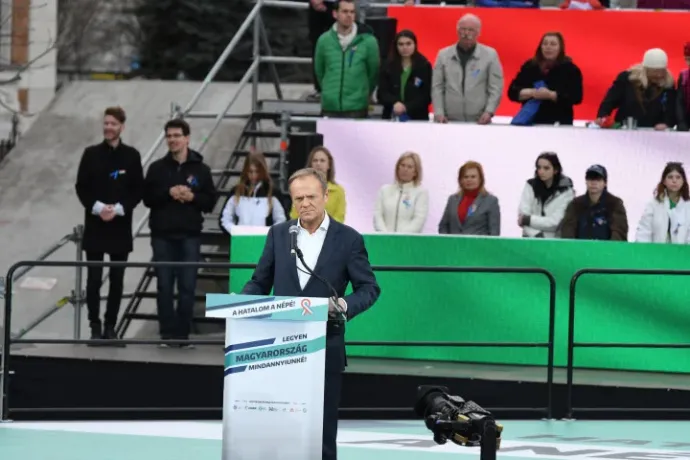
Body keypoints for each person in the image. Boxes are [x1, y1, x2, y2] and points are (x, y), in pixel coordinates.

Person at [241, 168, 380, 460]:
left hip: (324, 345)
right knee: (280, 429)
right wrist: (241, 303)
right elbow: (260, 282)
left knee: (321, 433)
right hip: (280, 346)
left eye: (311, 196)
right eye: (298, 198)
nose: (304, 203)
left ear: (326, 196)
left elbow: (369, 288)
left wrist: (342, 306)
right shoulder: (280, 234)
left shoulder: (349, 239)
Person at [143, 119, 217, 347]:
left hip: (189, 236)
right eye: (169, 136)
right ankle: (166, 335)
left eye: (177, 135)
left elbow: (210, 202)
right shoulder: (156, 168)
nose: (172, 140)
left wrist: (192, 197)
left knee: (187, 286)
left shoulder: (201, 170)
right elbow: (147, 199)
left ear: (187, 138)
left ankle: (182, 336)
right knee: (164, 286)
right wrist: (169, 192)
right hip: (162, 236)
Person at [75, 106, 144, 342]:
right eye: (105, 123)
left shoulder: (132, 156)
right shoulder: (90, 153)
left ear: (121, 127)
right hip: (95, 225)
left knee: (117, 280)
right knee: (93, 280)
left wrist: (118, 209)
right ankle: (94, 325)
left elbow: (137, 189)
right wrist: (97, 207)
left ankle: (110, 326)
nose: (108, 128)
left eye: (113, 124)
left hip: (119, 226)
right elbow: (81, 187)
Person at [314, 0, 380, 118]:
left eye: (352, 12)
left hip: (357, 107)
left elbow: (373, 73)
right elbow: (319, 71)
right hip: (330, 106)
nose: (349, 15)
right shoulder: (323, 40)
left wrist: (362, 94)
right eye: (345, 11)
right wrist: (329, 91)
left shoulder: (369, 41)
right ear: (335, 14)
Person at [507, 32, 583, 126]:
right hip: (530, 121)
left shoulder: (570, 69)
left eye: (553, 44)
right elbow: (512, 92)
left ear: (560, 48)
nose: (548, 47)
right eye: (545, 43)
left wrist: (551, 95)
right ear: (540, 47)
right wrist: (533, 92)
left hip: (560, 123)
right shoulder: (530, 66)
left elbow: (577, 97)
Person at [560, 165, 628, 241]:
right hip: (580, 250)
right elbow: (568, 231)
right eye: (590, 179)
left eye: (598, 179)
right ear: (586, 181)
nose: (594, 183)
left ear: (605, 183)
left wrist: (609, 251)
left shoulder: (615, 204)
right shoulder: (575, 204)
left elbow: (619, 232)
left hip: (606, 251)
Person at [377, 30, 433, 122]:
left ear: (415, 45)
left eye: (408, 44)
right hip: (391, 115)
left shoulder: (424, 65)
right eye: (401, 44)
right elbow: (382, 93)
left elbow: (426, 95)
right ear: (396, 46)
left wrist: (406, 107)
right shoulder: (387, 66)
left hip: (417, 117)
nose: (405, 47)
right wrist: (394, 103)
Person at [517, 152, 575, 238]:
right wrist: (536, 235)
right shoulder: (530, 186)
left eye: (546, 168)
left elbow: (555, 222)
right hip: (529, 240)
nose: (541, 171)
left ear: (555, 170)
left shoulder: (566, 192)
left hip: (553, 243)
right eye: (539, 167)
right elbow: (522, 216)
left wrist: (529, 220)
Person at [438, 161, 501, 235]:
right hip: (454, 245)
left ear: (480, 179)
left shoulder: (491, 201)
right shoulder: (452, 200)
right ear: (460, 180)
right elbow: (443, 226)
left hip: (478, 246)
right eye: (465, 177)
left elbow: (494, 232)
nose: (469, 180)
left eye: (473, 177)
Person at [373, 151, 429, 233]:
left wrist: (400, 238)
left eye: (410, 167)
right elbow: (378, 216)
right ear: (397, 167)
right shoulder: (384, 190)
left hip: (408, 242)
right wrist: (385, 235)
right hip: (384, 240)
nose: (405, 169)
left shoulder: (421, 193)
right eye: (402, 165)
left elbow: (418, 220)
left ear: (415, 172)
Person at [635, 162, 690, 244]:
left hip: (683, 254)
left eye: (678, 177)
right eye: (670, 177)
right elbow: (644, 231)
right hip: (656, 253)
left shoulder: (688, 206)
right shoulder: (653, 204)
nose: (674, 181)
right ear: (664, 181)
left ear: (683, 181)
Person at [289, 146, 346, 223]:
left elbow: (339, 218)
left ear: (329, 165)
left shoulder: (338, 191)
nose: (318, 164)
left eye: (322, 161)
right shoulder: (300, 188)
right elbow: (294, 216)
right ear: (311, 164)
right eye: (315, 160)